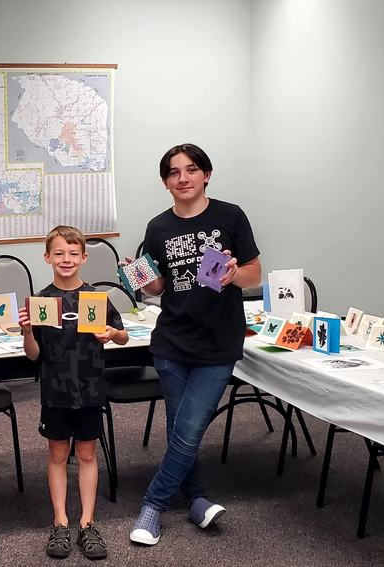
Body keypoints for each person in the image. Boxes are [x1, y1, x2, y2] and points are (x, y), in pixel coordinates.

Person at [128, 143, 262, 546]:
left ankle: (153, 504)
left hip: (218, 343)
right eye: (173, 172)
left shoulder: (230, 216)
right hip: (172, 341)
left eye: (191, 169)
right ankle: (197, 499)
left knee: (188, 431)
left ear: (206, 174)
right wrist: (137, 275)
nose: (182, 178)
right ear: (165, 182)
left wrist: (234, 274)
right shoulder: (157, 227)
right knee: (180, 429)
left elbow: (255, 274)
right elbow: (157, 287)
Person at [18, 225, 128, 561]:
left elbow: (123, 335)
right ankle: (60, 522)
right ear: (47, 257)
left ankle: (87, 523)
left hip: (90, 390)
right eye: (59, 253)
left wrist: (111, 334)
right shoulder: (41, 301)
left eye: (73, 253)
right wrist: (27, 332)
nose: (66, 259)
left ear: (84, 257)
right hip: (55, 392)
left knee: (87, 455)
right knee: (56, 455)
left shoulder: (97, 298)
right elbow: (33, 355)